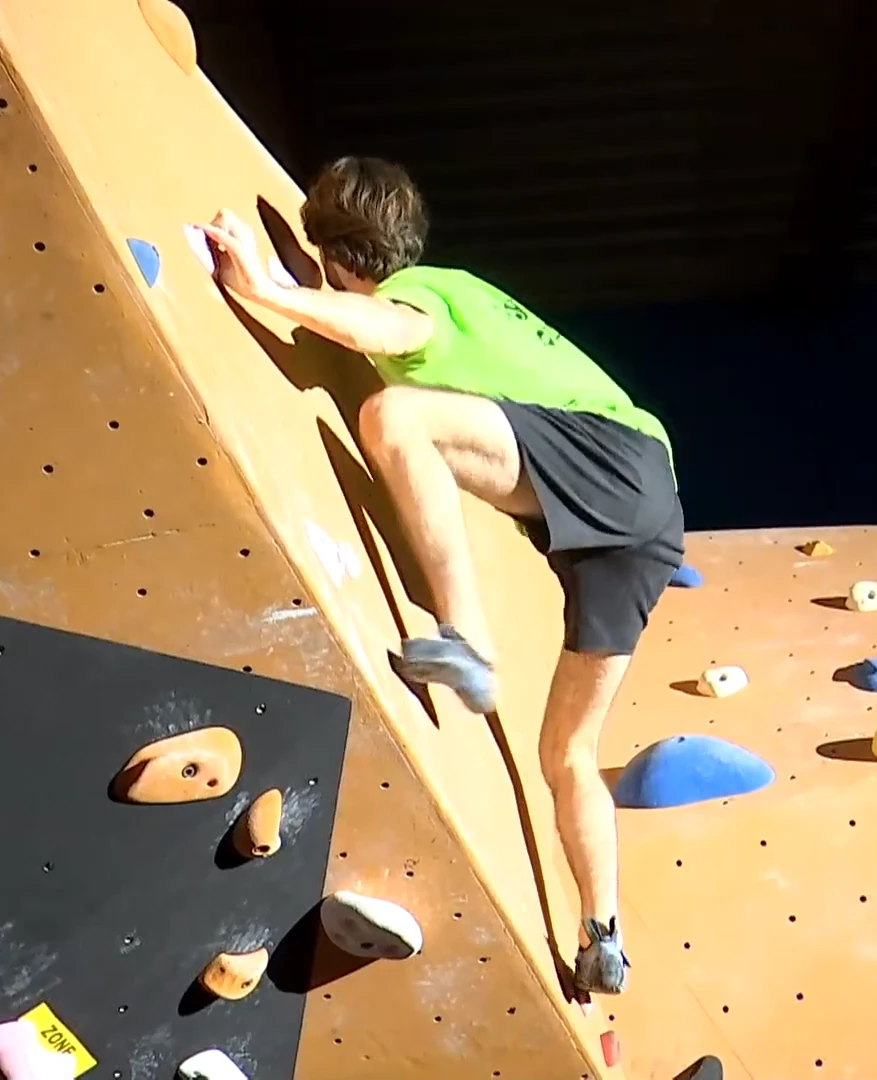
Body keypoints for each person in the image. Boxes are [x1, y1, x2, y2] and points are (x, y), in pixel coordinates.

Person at [199, 156, 684, 996]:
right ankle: (603, 935)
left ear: (340, 260)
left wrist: (263, 289)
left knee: (392, 414)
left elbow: (387, 335)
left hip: (612, 459)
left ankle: (465, 635)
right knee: (568, 751)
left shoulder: (425, 291)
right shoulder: (468, 292)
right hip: (651, 513)